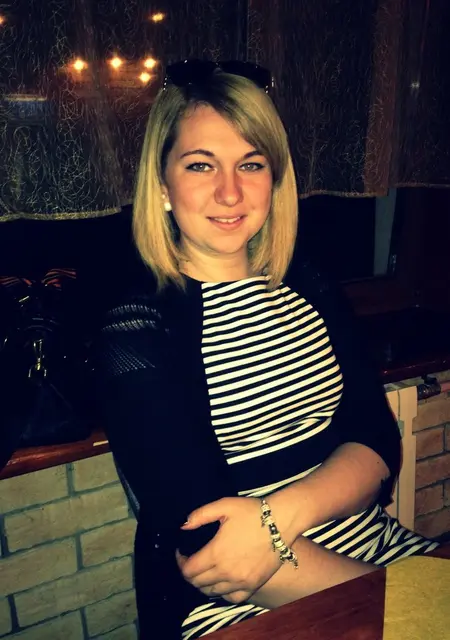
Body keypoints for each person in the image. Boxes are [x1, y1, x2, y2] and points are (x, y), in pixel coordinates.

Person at [94, 60, 438, 639]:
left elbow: (376, 438)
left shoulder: (307, 283)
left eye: (251, 164)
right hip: (238, 600)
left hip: (377, 547)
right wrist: (396, 605)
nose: (230, 191)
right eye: (201, 164)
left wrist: (276, 517)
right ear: (162, 185)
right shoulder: (138, 328)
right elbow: (209, 545)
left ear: (274, 179)